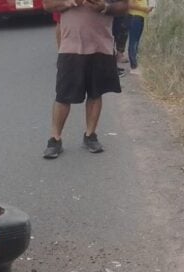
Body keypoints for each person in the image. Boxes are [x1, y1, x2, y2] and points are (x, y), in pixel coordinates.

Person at [42, 0, 129, 159]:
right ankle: (55, 139)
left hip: (101, 46)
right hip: (70, 47)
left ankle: (90, 136)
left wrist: (105, 7)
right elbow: (47, 5)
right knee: (63, 96)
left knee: (96, 93)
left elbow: (124, 6)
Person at [127, 0, 153, 74]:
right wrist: (144, 9)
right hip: (134, 17)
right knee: (133, 42)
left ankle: (135, 64)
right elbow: (130, 4)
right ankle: (133, 67)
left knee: (136, 42)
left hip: (139, 17)